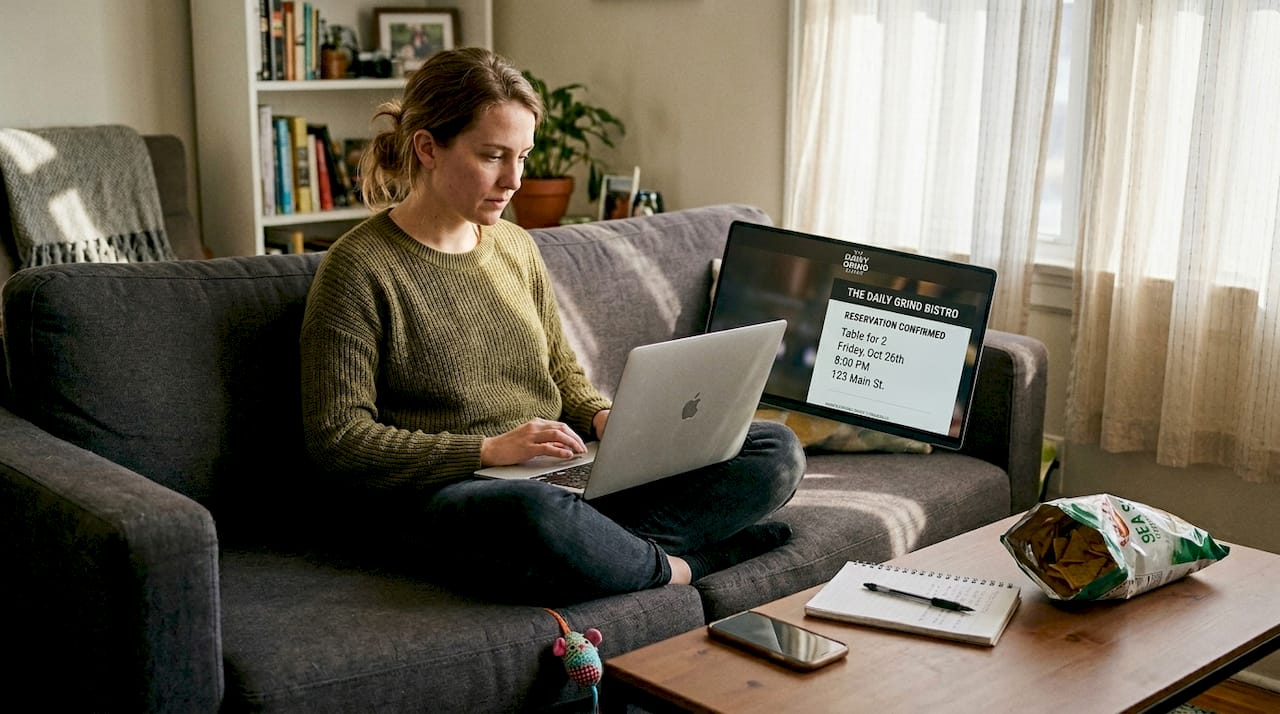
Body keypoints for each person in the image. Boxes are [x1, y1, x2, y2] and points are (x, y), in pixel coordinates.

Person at [300, 47, 805, 605]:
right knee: (533, 515)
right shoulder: (359, 268)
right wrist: (487, 450)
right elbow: (339, 442)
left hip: (557, 478)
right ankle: (684, 565)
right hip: (452, 496)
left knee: (773, 449)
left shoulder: (515, 245)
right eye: (493, 156)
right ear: (427, 148)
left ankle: (606, 553)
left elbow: (561, 371)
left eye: (523, 155)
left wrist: (604, 417)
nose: (514, 179)